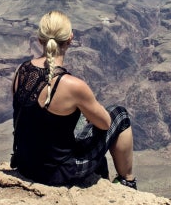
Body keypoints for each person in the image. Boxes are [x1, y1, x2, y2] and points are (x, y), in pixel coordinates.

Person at [11, 10, 137, 189]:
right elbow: (105, 124)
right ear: (70, 39)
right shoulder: (72, 85)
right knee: (120, 115)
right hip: (57, 173)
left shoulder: (20, 71)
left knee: (80, 134)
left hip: (25, 166)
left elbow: (29, 117)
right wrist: (90, 109)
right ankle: (127, 182)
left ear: (40, 39)